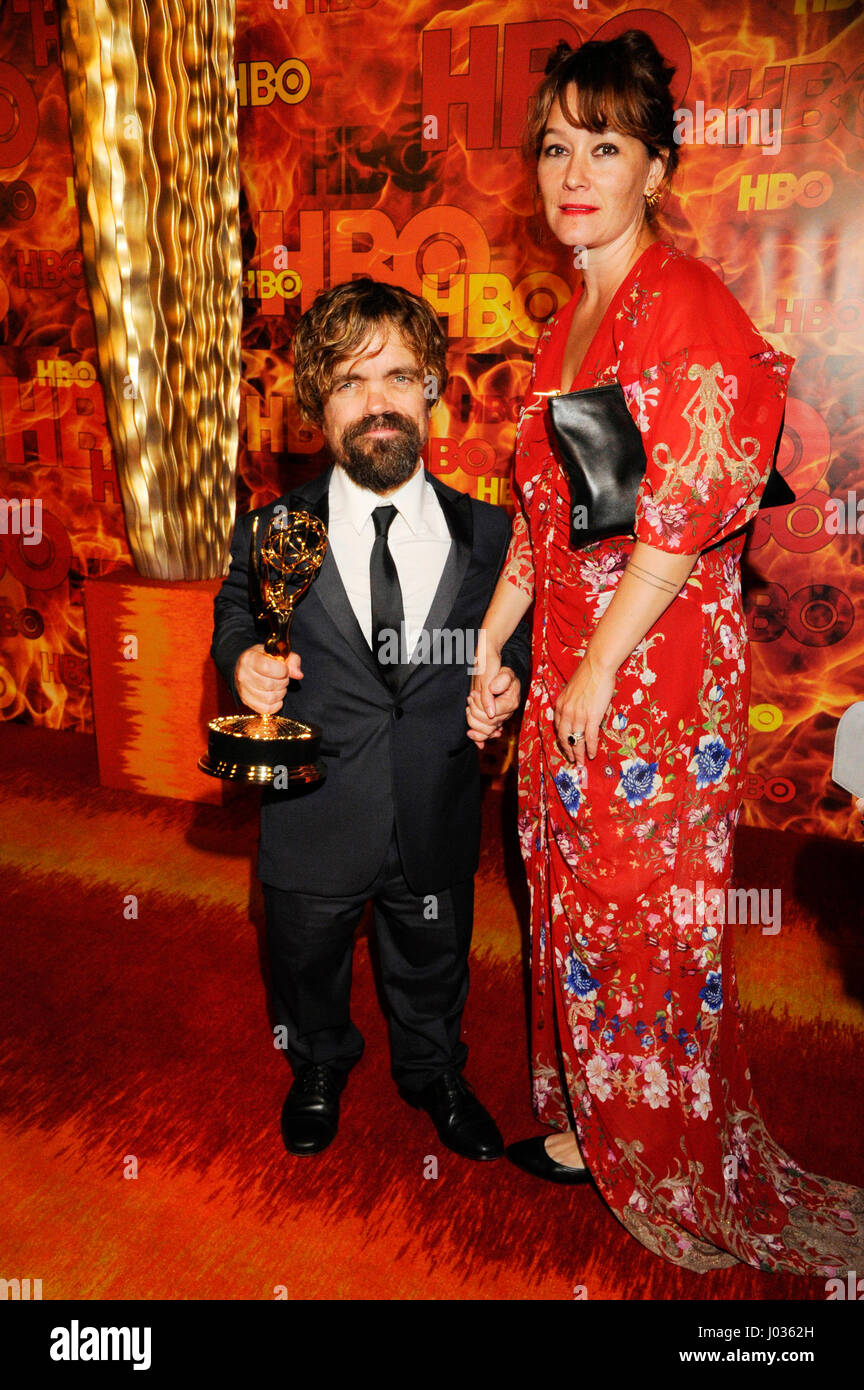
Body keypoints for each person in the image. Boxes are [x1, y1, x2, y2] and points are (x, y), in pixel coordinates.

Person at [468, 31, 864, 1273]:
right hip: (576, 668)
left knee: (646, 917)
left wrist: (592, 669)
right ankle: (596, 1121)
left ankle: (671, 1148)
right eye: (553, 146)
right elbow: (546, 522)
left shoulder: (682, 300)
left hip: (652, 676)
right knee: (570, 904)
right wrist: (492, 652)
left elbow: (690, 510)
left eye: (604, 146)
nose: (571, 172)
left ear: (656, 167)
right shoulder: (563, 328)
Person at [212, 278, 530, 1161]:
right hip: (313, 808)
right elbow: (237, 611)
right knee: (304, 959)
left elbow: (521, 645)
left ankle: (433, 1071)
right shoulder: (274, 529)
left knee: (434, 955)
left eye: (396, 376)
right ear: (318, 405)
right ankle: (317, 1062)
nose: (377, 402)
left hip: (435, 802)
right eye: (350, 382)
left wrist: (510, 686)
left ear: (432, 383)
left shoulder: (492, 537)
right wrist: (240, 661)